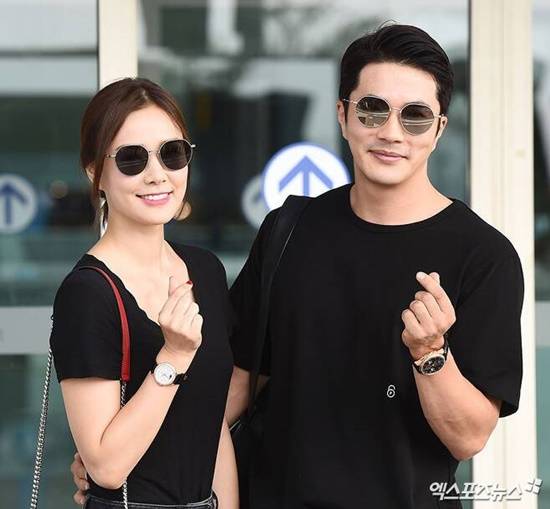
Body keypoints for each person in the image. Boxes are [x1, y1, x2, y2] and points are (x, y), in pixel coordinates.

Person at [72, 24, 524, 508]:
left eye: (415, 116)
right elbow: (232, 386)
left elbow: (469, 437)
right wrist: (132, 463)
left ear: (439, 130)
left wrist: (431, 354)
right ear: (343, 115)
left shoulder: (483, 256)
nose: (391, 132)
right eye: (372, 110)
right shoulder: (290, 228)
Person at [51, 78, 238, 509]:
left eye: (172, 153)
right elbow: (106, 466)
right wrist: (173, 359)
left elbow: (213, 426)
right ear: (94, 172)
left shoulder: (205, 270)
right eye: (132, 159)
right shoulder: (87, 293)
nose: (157, 174)